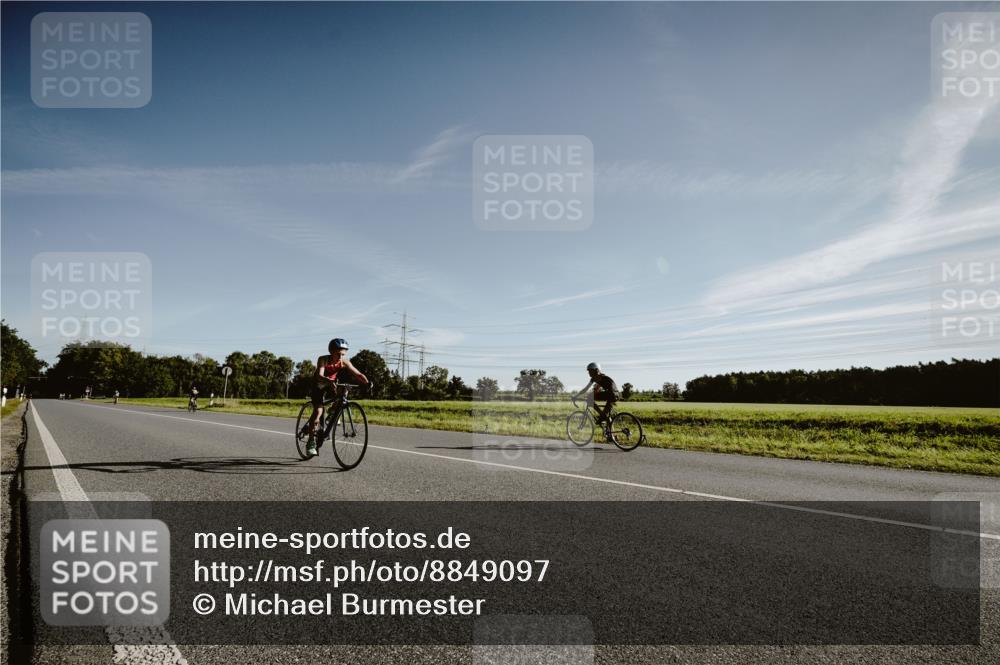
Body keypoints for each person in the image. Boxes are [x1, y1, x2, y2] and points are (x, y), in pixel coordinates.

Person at [304, 338, 368, 458]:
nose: (340, 357)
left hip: (331, 384)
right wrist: (328, 380)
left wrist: (367, 382)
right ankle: (311, 442)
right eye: (338, 354)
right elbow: (320, 375)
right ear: (331, 352)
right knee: (318, 412)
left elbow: (358, 374)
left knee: (344, 390)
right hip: (318, 385)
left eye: (343, 354)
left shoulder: (344, 362)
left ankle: (333, 412)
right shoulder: (323, 359)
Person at [572, 362, 620, 427]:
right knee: (605, 416)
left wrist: (576, 396)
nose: (589, 373)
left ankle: (602, 415)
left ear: (596, 370)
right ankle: (609, 429)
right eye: (588, 371)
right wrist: (592, 394)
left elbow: (585, 389)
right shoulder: (601, 377)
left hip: (611, 394)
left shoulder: (596, 378)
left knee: (590, 399)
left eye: (590, 371)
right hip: (615, 394)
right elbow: (597, 389)